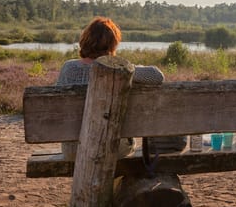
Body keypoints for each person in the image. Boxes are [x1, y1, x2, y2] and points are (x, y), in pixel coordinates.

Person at [55, 16, 185, 158]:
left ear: (85, 40)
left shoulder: (69, 68)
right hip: (114, 147)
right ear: (113, 44)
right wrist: (132, 68)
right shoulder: (120, 70)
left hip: (73, 149)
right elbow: (157, 76)